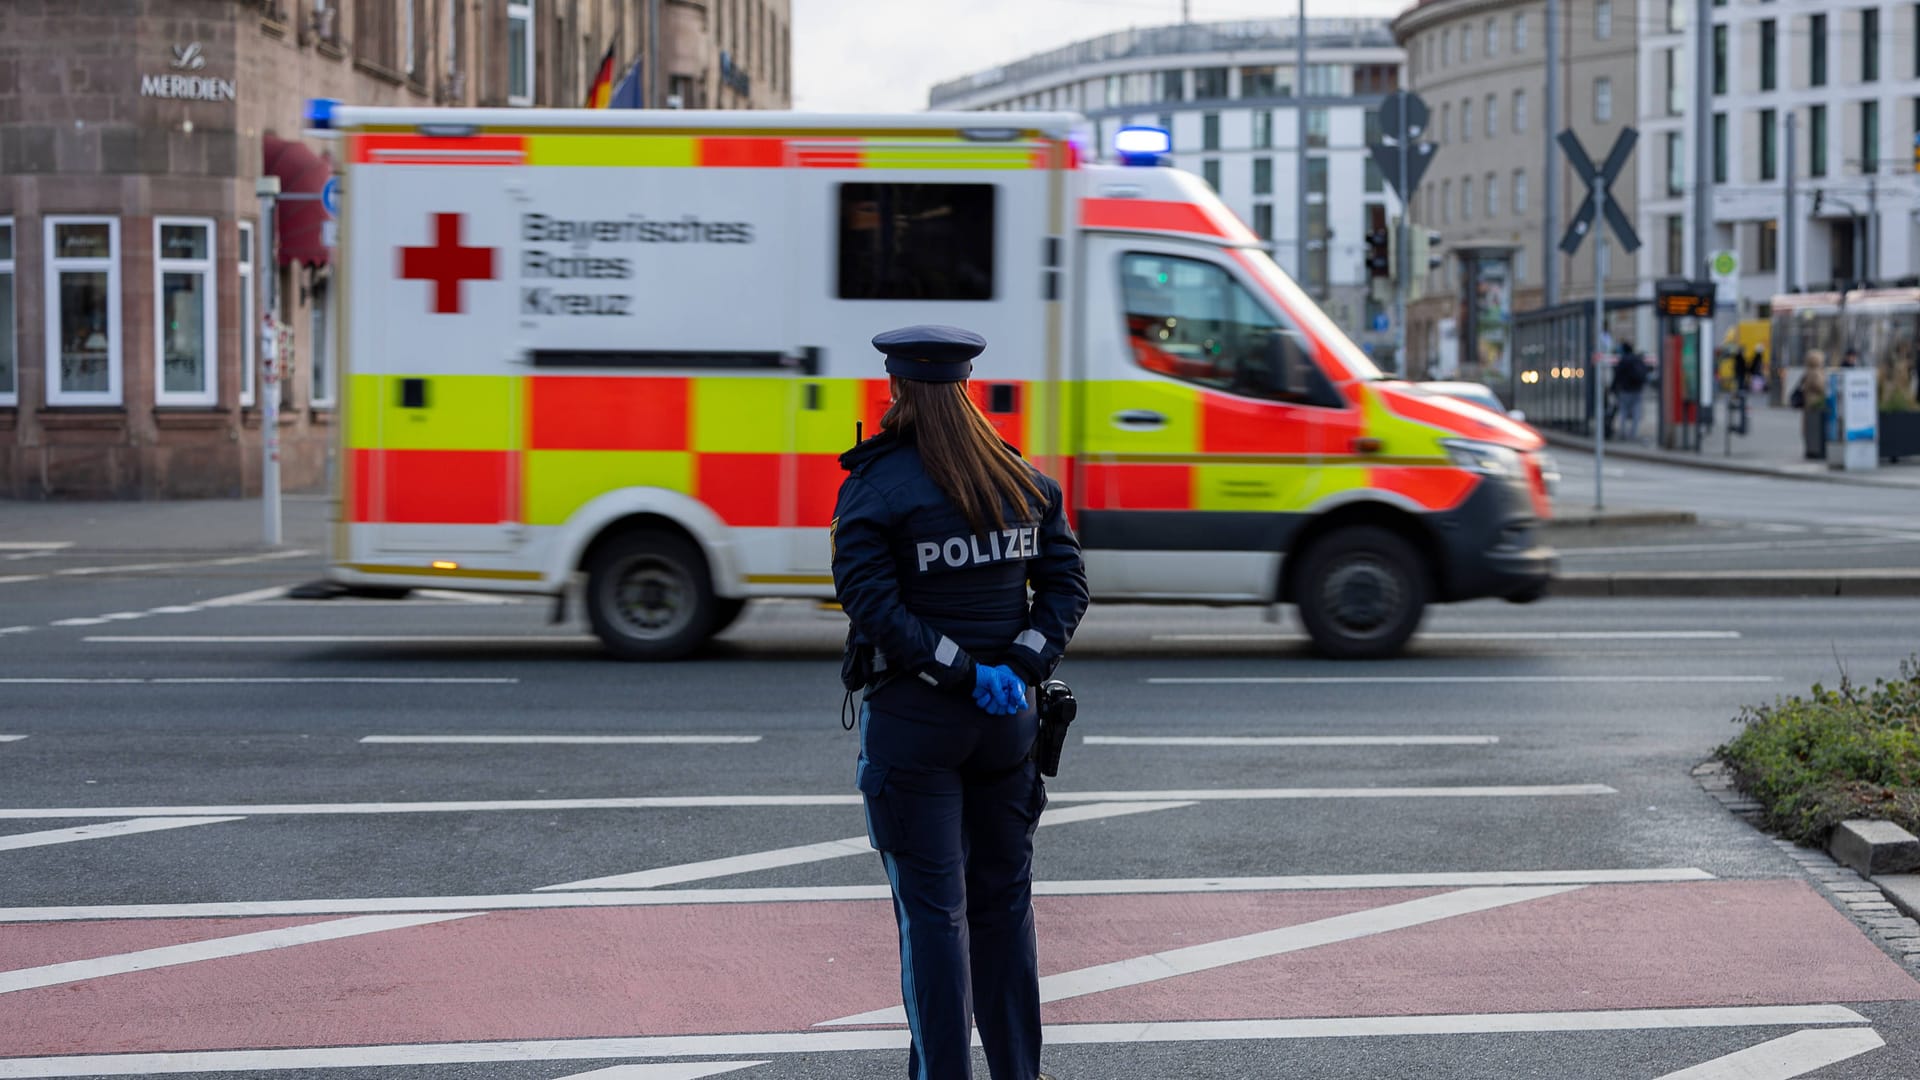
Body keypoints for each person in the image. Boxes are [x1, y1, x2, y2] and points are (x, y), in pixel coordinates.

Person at [832, 324, 1089, 1080]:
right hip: (1007, 727)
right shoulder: (1020, 481)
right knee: (1005, 910)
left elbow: (873, 606)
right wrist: (1017, 664)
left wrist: (957, 669)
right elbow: (1067, 588)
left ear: (896, 392)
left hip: (916, 729)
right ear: (967, 388)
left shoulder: (876, 488)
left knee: (934, 918)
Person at [1611, 341, 1649, 443]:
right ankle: (1633, 434)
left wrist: (1613, 388)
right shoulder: (1638, 359)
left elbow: (1617, 376)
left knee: (1623, 412)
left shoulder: (1623, 361)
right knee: (1636, 413)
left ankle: (1623, 433)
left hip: (1625, 390)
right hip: (1637, 390)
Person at [1799, 349, 1829, 459]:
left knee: (1808, 427)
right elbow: (1821, 388)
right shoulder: (1816, 373)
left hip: (1808, 404)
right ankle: (1815, 450)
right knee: (1816, 427)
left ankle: (1810, 449)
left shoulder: (1807, 372)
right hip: (1815, 404)